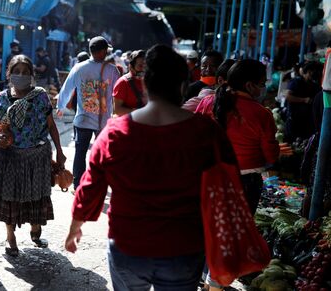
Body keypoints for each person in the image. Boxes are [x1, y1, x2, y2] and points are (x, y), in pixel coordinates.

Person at [64, 44, 240, 290]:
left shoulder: (115, 133)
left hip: (128, 245)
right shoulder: (207, 132)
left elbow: (91, 185)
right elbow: (229, 184)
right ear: (182, 85)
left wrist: (76, 226)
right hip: (184, 248)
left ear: (146, 83)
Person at [0, 54, 66, 256]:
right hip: (10, 157)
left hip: (37, 157)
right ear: (8, 74)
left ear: (32, 75)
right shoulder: (2, 99)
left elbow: (51, 126)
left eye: (25, 72)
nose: (21, 76)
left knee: (37, 195)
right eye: (16, 72)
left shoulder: (40, 97)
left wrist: (61, 152)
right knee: (9, 198)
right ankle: (10, 237)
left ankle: (35, 228)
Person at [198, 59, 279, 215]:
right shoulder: (262, 114)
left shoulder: (207, 102)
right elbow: (271, 156)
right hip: (245, 181)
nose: (264, 89)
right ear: (249, 85)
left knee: (210, 226)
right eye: (262, 84)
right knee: (238, 231)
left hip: (209, 176)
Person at [57, 36, 120, 189]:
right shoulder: (112, 70)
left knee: (80, 153)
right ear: (103, 51)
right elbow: (118, 94)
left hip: (83, 120)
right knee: (101, 154)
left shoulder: (79, 68)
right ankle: (99, 183)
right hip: (102, 122)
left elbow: (66, 88)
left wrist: (61, 105)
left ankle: (78, 185)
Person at [285, 61, 323, 142]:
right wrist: (304, 100)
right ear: (307, 71)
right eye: (310, 72)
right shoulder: (296, 82)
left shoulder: (313, 85)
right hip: (294, 117)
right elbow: (288, 96)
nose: (312, 74)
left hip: (306, 119)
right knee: (293, 140)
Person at [112, 50, 146, 116]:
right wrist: (138, 112)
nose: (143, 69)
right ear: (131, 67)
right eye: (140, 66)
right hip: (129, 124)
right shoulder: (123, 83)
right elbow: (117, 110)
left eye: (145, 66)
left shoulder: (149, 81)